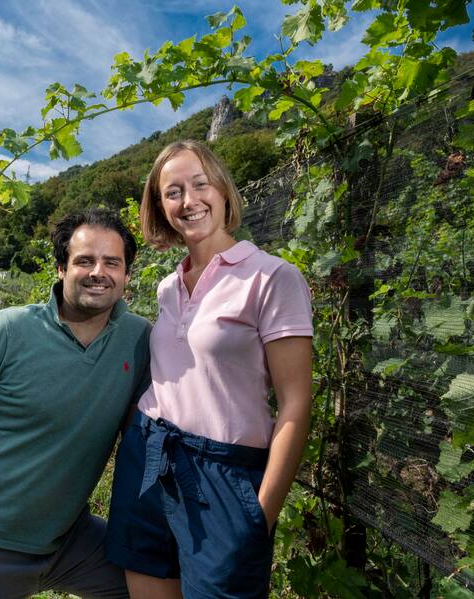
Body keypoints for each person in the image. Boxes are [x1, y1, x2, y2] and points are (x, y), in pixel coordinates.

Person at [105, 140, 313, 598]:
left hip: (225, 472)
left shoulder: (272, 278)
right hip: (149, 454)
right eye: (172, 191)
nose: (189, 200)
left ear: (222, 190)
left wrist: (261, 516)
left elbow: (296, 403)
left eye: (200, 184)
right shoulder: (166, 286)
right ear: (160, 207)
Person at [0, 208, 151, 599]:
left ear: (126, 274)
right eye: (84, 261)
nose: (99, 272)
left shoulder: (140, 339)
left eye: (112, 262)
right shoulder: (6, 331)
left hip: (70, 542)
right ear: (61, 268)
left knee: (157, 584)